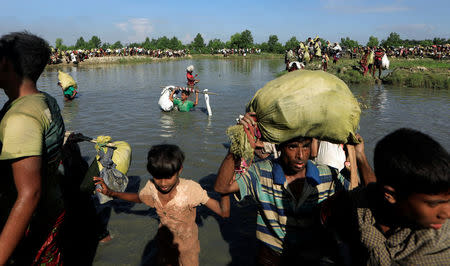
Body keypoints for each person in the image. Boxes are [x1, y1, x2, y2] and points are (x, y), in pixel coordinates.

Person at [214, 112, 359, 265]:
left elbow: (355, 197)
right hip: (271, 256)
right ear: (280, 147)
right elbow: (222, 187)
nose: (301, 155)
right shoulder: (261, 173)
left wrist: (358, 155)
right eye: (292, 147)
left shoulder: (327, 175)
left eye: (306, 147)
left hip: (312, 256)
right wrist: (236, 146)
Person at [321, 128, 449, 265]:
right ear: (391, 196)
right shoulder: (346, 208)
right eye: (433, 204)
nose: (446, 213)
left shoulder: (441, 239)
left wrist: (361, 157)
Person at [94, 144, 230, 266]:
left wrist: (225, 190)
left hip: (188, 246)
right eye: (158, 177)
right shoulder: (151, 187)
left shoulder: (191, 190)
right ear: (151, 173)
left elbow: (223, 212)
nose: (163, 183)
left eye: (169, 177)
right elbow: (139, 198)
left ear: (180, 170)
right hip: (164, 242)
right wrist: (112, 193)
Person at [0, 31, 66, 265]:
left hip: (28, 219)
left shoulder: (21, 117)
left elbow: (29, 194)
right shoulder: (45, 99)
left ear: (5, 63)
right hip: (53, 206)